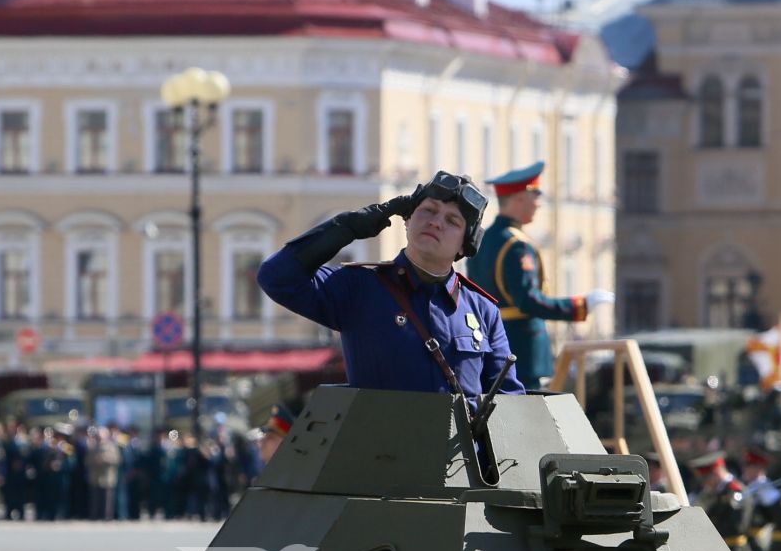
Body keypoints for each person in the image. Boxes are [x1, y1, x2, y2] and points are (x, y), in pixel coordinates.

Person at [258, 173, 520, 405]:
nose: (436, 222)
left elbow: (509, 401)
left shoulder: (483, 311)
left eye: (452, 220)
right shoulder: (360, 288)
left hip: (460, 459)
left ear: (465, 245)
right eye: (428, 210)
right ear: (407, 220)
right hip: (380, 456)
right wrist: (348, 227)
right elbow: (276, 277)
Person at [468, 162, 610, 388]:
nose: (539, 204)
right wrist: (578, 306)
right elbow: (528, 301)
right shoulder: (517, 245)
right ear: (520, 198)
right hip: (521, 349)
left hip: (487, 343)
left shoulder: (482, 240)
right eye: (535, 195)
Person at [691, 452, 755, 551]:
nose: (705, 483)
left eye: (706, 478)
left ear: (716, 472)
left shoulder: (736, 491)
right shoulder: (712, 493)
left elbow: (737, 525)